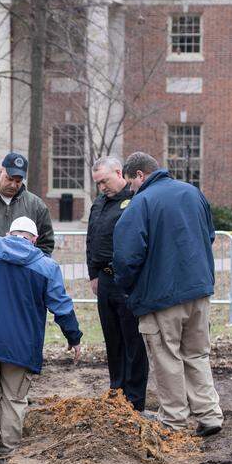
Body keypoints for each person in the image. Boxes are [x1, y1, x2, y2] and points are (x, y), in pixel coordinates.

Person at [0, 216, 83, 464]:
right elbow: (61, 305)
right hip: (22, 344)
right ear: (35, 239)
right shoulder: (46, 265)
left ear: (9, 233)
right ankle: (5, 454)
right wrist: (73, 336)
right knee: (14, 397)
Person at [112, 152, 223, 438]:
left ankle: (173, 420)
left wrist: (127, 287)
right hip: (198, 290)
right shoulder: (193, 193)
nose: (131, 190)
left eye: (131, 183)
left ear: (139, 175)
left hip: (161, 297)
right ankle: (209, 414)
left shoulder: (141, 203)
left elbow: (126, 256)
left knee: (166, 357)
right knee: (197, 354)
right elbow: (209, 235)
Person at [87, 156, 149, 411]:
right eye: (98, 183)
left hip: (128, 280)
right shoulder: (99, 203)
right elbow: (91, 240)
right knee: (112, 338)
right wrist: (93, 274)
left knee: (132, 340)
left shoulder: (135, 200)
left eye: (104, 181)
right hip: (104, 279)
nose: (102, 187)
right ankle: (117, 390)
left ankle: (135, 399)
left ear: (119, 173)